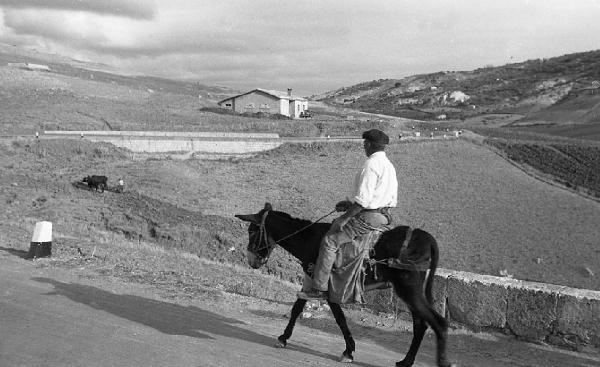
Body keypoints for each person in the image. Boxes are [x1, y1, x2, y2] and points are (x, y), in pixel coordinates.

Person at [297, 129, 398, 300]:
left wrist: (344, 218)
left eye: (364, 144)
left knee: (329, 241)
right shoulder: (388, 165)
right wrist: (349, 205)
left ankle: (319, 289)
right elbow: (375, 198)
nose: (363, 147)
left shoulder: (371, 164)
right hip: (384, 215)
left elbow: (364, 201)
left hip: (369, 217)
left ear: (369, 144)